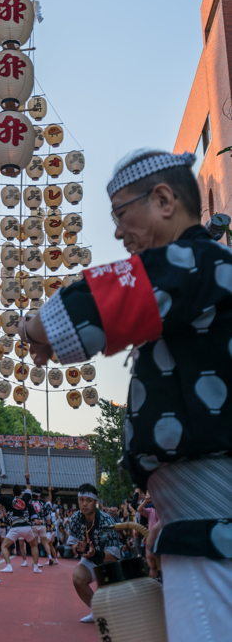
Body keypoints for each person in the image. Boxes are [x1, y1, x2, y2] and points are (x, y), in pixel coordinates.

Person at [22, 148, 232, 640]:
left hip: (213, 507)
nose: (118, 231)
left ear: (163, 199)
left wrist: (32, 328)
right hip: (201, 508)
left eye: (121, 213)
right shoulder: (204, 271)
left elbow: (89, 306)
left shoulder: (194, 262)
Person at [65, 484, 121, 622]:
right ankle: (97, 612)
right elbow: (73, 545)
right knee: (78, 578)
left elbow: (114, 555)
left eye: (89, 500)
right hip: (91, 558)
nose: (84, 504)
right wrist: (79, 548)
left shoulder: (107, 521)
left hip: (108, 560)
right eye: (81, 500)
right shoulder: (75, 519)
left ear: (96, 502)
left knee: (117, 605)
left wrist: (95, 553)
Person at [0, 485, 41, 572]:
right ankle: (36, 567)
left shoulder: (8, 500)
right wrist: (27, 480)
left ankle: (8, 566)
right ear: (21, 493)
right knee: (34, 545)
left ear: (12, 492)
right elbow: (28, 490)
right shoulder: (26, 499)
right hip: (26, 527)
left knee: (4, 546)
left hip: (15, 527)